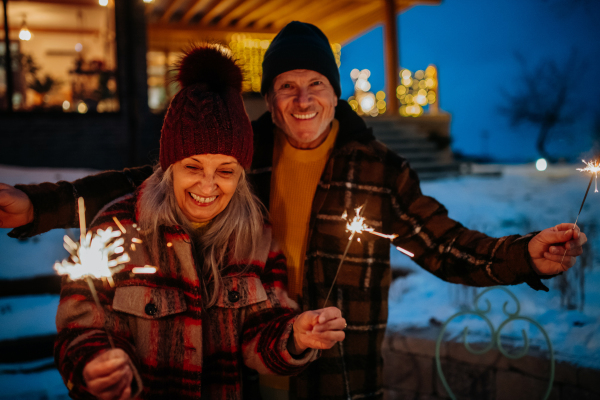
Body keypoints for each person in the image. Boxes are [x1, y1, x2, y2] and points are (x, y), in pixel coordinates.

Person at [0, 22, 587, 400]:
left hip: (337, 372)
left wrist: (520, 255)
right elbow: (140, 182)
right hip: (246, 367)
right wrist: (37, 205)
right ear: (272, 100)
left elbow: (441, 242)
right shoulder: (239, 154)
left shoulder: (379, 169)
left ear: (335, 93)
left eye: (315, 83)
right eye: (286, 85)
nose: (302, 98)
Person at [52, 44, 345, 400]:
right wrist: (94, 363)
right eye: (193, 167)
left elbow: (262, 332)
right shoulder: (113, 228)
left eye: (225, 171)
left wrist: (294, 336)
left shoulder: (257, 237)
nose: (208, 186)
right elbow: (79, 328)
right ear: (169, 167)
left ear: (241, 175)